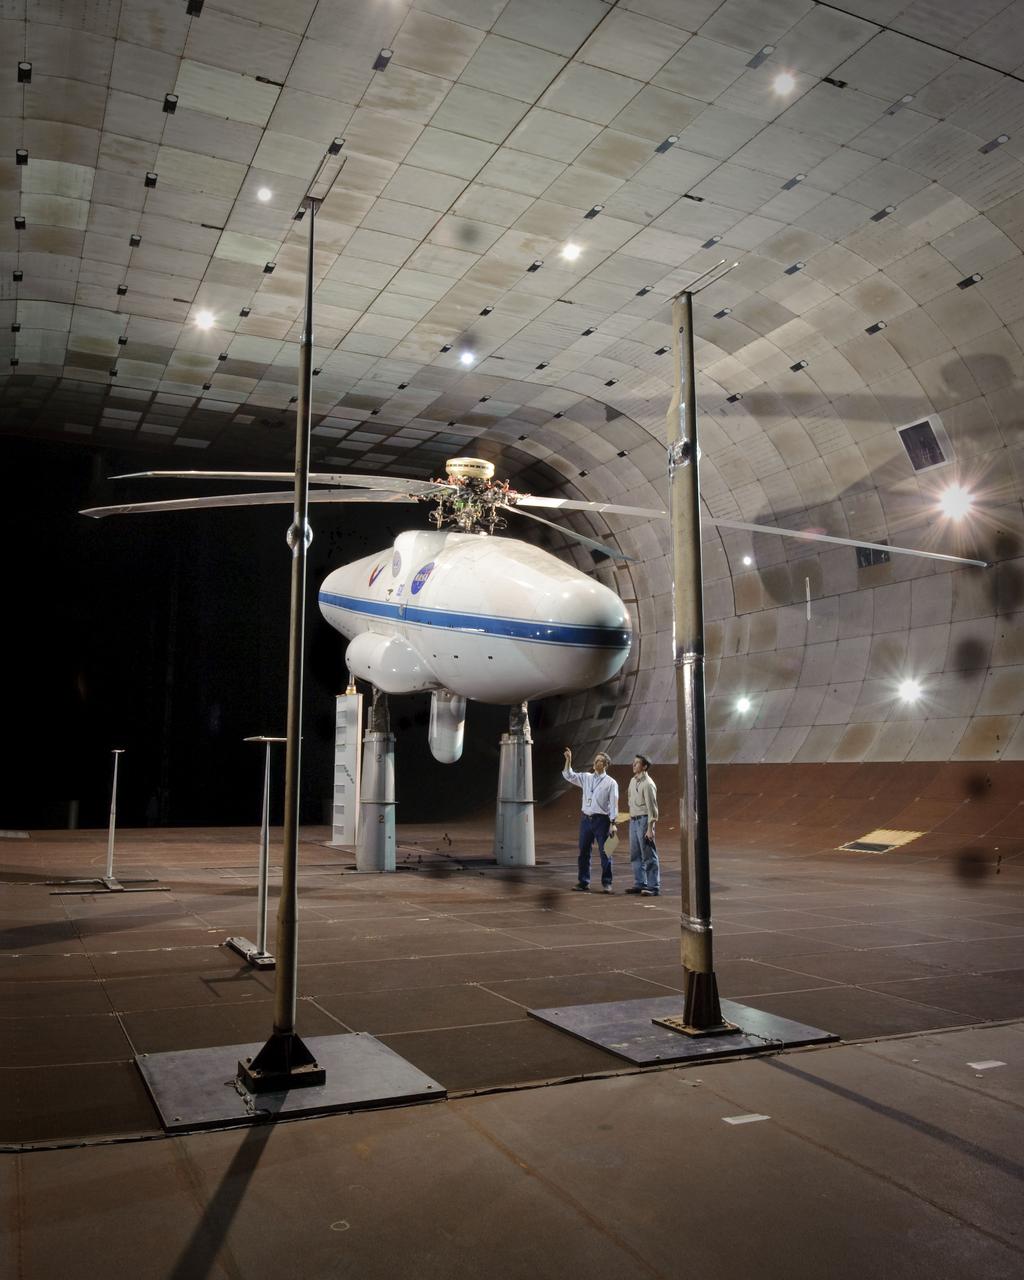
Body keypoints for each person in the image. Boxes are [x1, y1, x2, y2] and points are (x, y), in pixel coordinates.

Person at [562, 747, 619, 893]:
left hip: (602, 820)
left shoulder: (611, 783)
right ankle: (583, 881)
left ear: (605, 765)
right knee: (583, 851)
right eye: (596, 760)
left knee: (606, 852)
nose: (596, 762)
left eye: (599, 761)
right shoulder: (586, 777)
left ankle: (607, 882)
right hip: (586, 819)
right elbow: (569, 775)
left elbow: (613, 804)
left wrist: (613, 823)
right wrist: (568, 760)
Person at [625, 755, 660, 896]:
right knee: (635, 854)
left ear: (644, 766)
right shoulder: (633, 781)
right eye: (634, 762)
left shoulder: (648, 784)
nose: (634, 765)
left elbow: (653, 808)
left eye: (637, 763)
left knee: (648, 854)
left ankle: (653, 886)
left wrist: (650, 828)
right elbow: (629, 799)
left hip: (644, 820)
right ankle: (640, 883)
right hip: (633, 820)